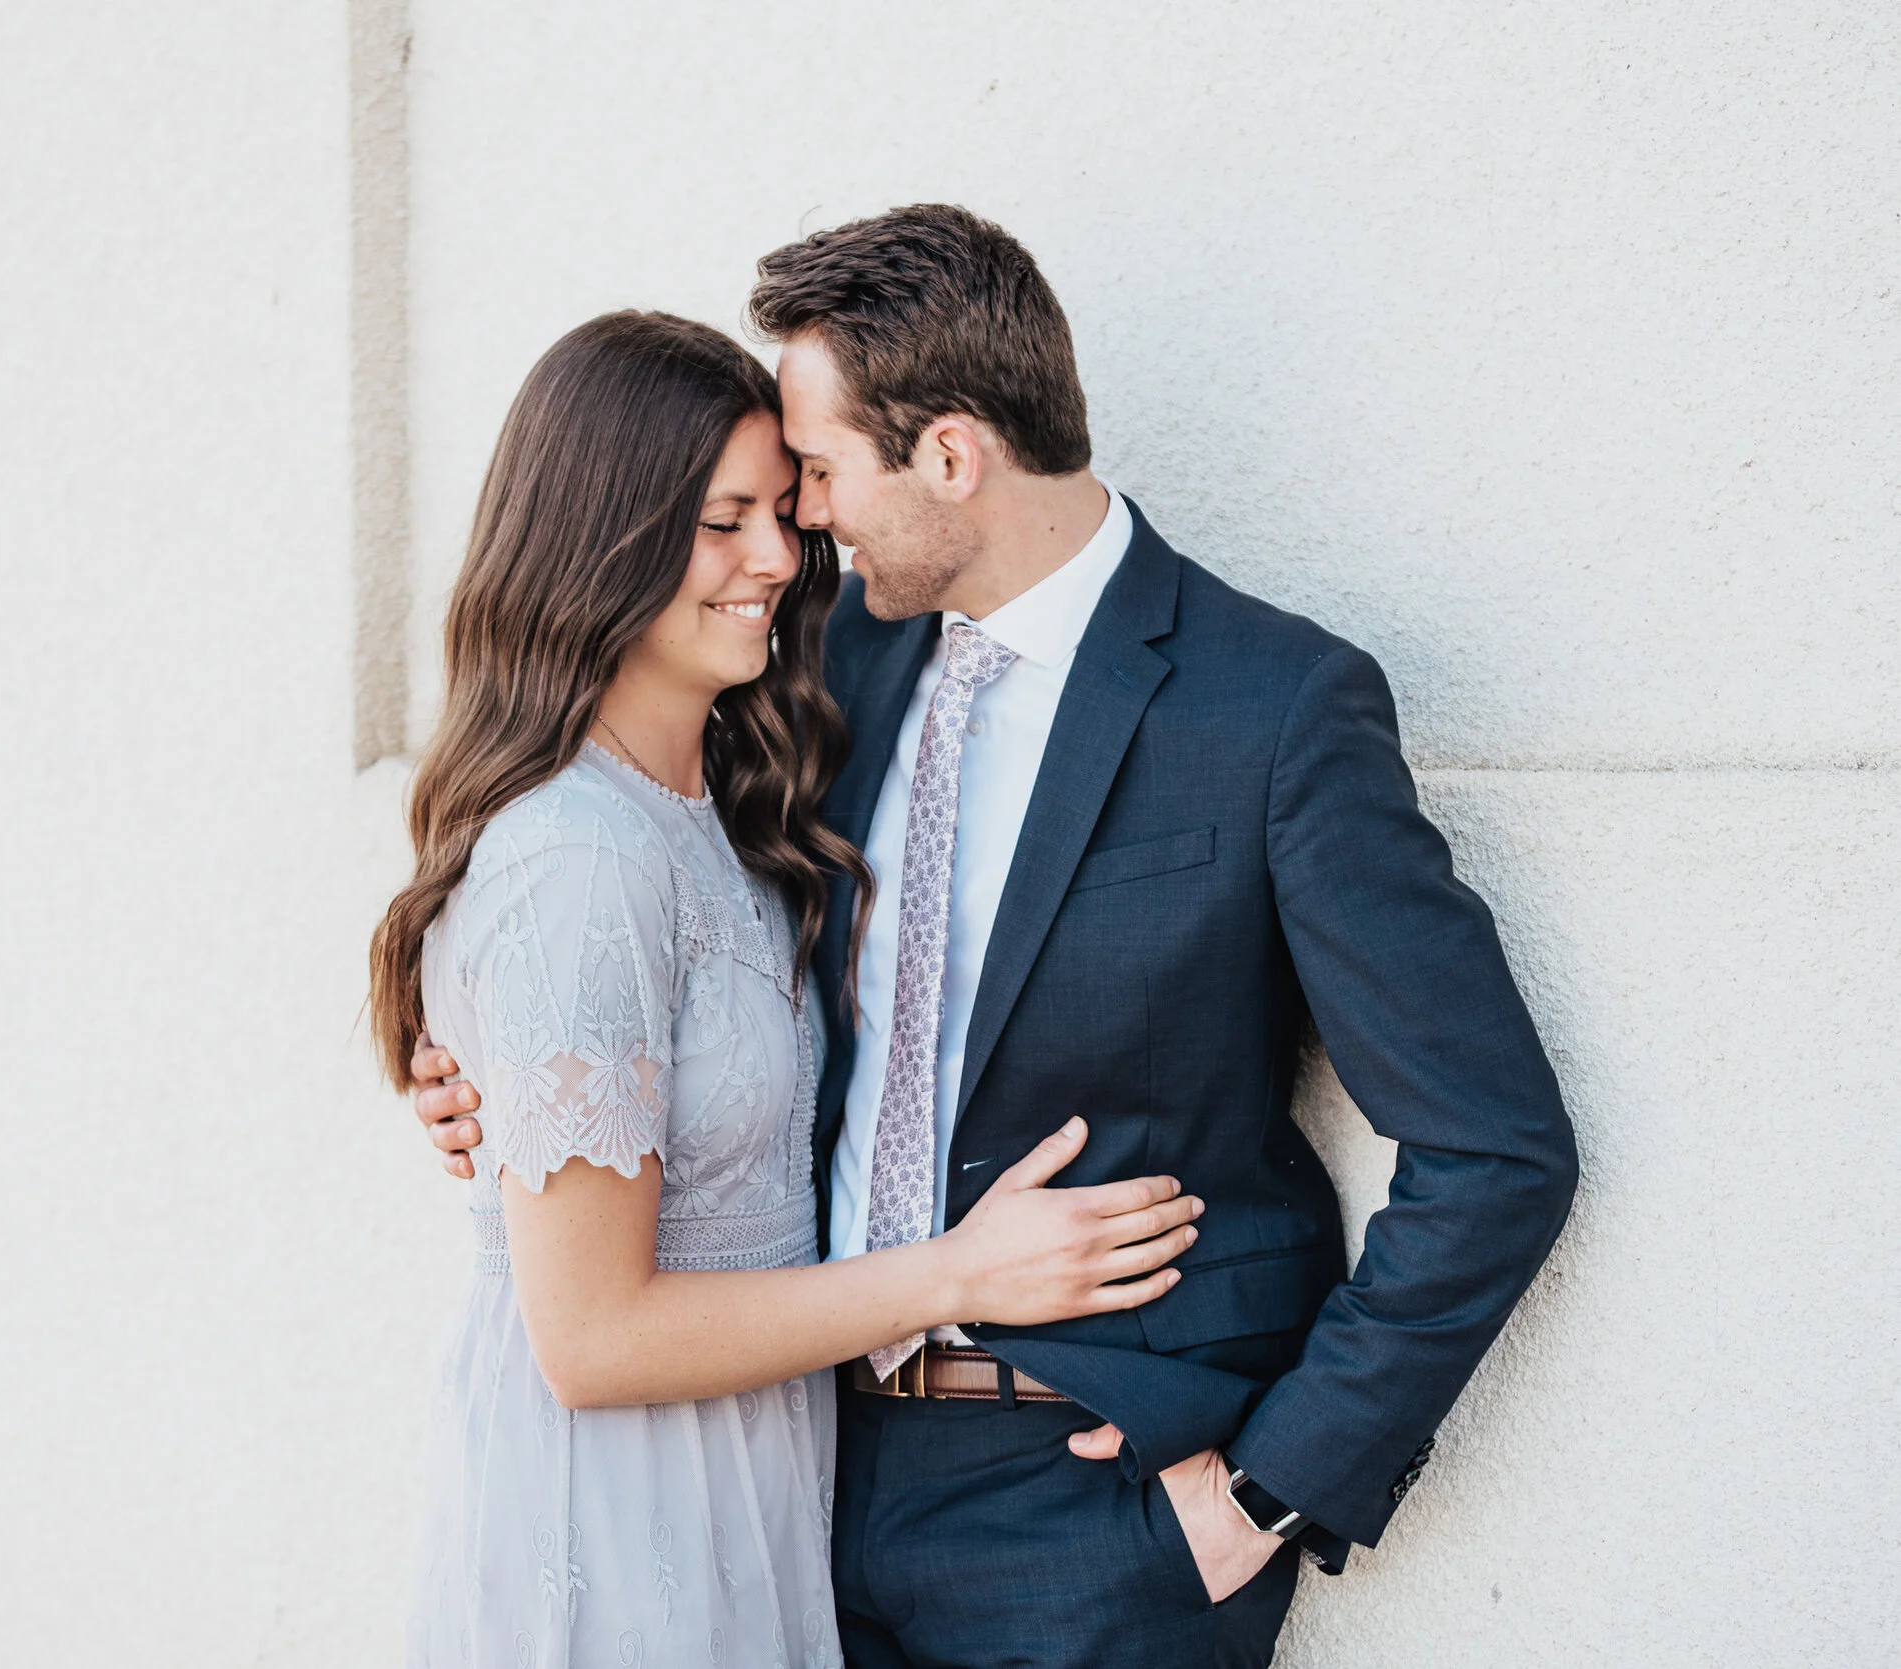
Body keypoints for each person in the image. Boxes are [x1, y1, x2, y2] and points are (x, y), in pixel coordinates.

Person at [411, 207, 1579, 1669]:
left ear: (950, 457)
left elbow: (1497, 1146)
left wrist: (1268, 1493)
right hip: (795, 1488)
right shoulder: (820, 670)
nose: (800, 531)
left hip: (1095, 1525)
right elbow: (618, 927)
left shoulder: (1271, 711)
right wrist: (477, 1072)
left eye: (819, 478)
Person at [369, 310, 1209, 1669]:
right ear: (601, 539)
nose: (778, 557)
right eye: (724, 522)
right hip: (622, 1503)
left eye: (786, 512)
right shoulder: (573, 854)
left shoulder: (727, 803)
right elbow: (588, 1337)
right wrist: (954, 1275)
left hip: (759, 1479)